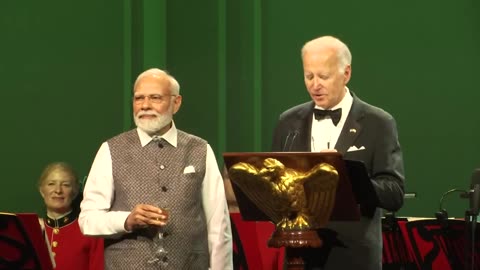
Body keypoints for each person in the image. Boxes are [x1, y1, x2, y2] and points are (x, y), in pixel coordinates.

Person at [271, 36, 405, 270]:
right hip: (299, 258)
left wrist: (348, 175)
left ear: (346, 73)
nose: (315, 85)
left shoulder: (378, 123)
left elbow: (394, 193)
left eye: (324, 76)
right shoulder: (288, 122)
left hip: (353, 257)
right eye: (308, 76)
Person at [79, 68, 233, 269]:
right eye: (138, 98)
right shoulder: (111, 149)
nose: (145, 105)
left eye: (155, 98)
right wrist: (127, 220)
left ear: (176, 103)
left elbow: (218, 225)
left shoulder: (200, 149)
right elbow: (88, 219)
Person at [38, 162, 104, 270]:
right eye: (51, 184)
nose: (58, 190)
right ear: (42, 190)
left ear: (74, 192)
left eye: (66, 185)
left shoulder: (90, 231)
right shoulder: (32, 231)